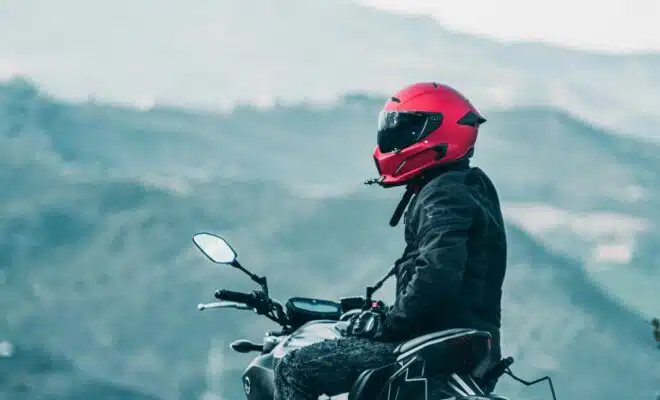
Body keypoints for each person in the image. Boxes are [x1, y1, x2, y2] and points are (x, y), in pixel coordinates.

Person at [274, 82, 508, 399]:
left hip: (436, 349)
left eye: (406, 130)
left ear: (438, 134)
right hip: (459, 345)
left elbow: (436, 273)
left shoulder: (444, 193)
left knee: (295, 368)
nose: (394, 139)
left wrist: (388, 323)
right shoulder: (467, 186)